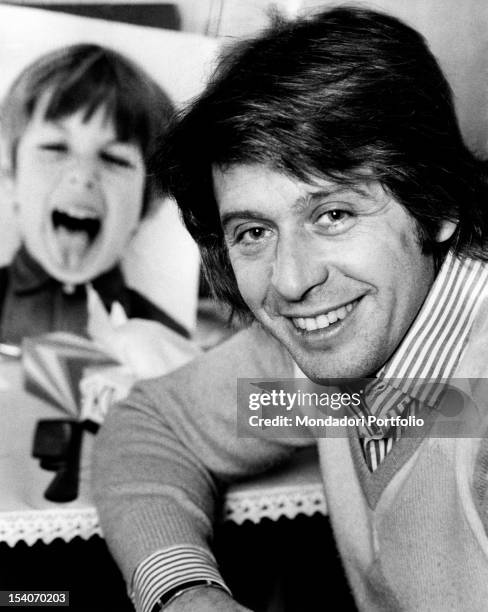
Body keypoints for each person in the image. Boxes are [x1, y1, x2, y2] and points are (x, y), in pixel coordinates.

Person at [93, 6, 488, 612]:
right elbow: (156, 426)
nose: (292, 282)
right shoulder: (325, 375)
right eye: (254, 231)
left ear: (436, 206)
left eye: (333, 215)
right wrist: (186, 592)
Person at [0, 43, 189, 345]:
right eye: (55, 148)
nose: (83, 175)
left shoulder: (170, 344)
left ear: (146, 203)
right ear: (11, 178)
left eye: (115, 159)